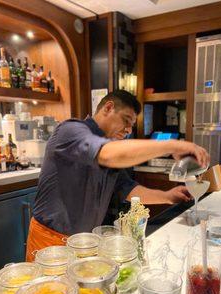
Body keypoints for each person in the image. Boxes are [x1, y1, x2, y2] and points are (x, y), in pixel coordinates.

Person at [26, 90, 209, 261]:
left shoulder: (110, 149)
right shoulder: (71, 130)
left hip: (85, 243)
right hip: (50, 241)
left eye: (131, 125)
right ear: (108, 108)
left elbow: (127, 189)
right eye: (126, 120)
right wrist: (173, 146)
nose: (128, 130)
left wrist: (167, 197)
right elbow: (107, 154)